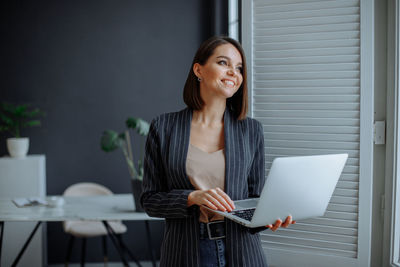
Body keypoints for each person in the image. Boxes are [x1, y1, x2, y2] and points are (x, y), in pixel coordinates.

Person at [141, 36, 295, 267]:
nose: (234, 72)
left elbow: (255, 198)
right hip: (186, 252)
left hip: (243, 253)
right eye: (224, 62)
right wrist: (192, 198)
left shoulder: (250, 130)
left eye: (239, 68)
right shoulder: (164, 128)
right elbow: (150, 200)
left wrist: (270, 218)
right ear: (198, 70)